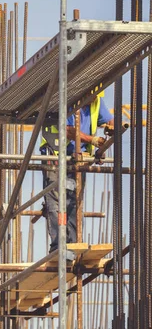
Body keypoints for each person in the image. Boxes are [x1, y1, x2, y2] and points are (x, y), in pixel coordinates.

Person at [40, 93, 114, 253]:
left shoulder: (96, 101)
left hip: (78, 159)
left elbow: (110, 120)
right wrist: (92, 140)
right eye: (92, 96)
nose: (93, 100)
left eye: (96, 97)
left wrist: (111, 127)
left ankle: (72, 244)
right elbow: (66, 130)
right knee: (56, 200)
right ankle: (58, 244)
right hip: (55, 154)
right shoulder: (67, 97)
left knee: (74, 200)